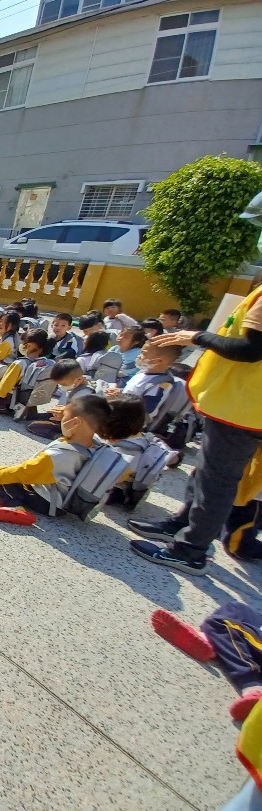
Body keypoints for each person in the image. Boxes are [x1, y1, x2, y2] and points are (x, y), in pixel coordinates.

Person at [127, 195, 262, 574]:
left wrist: (196, 337)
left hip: (244, 407)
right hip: (236, 403)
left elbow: (251, 349)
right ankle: (183, 524)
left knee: (218, 478)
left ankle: (191, 549)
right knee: (206, 471)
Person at [0, 395, 113, 526]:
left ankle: (16, 507)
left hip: (47, 502)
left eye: (64, 416)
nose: (61, 420)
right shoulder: (95, 445)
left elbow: (25, 472)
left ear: (76, 422)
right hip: (63, 500)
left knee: (0, 481)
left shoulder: (59, 455)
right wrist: (68, 416)